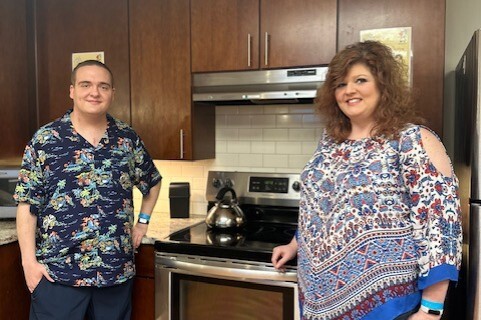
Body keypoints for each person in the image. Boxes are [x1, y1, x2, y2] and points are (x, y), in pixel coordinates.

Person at [271, 41, 462, 320]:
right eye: (340, 84)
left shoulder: (413, 140)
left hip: (385, 305)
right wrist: (294, 244)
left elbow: (441, 228)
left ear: (383, 86)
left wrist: (431, 311)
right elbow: (322, 208)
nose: (349, 90)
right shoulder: (330, 142)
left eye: (361, 80)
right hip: (318, 299)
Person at [14, 60, 161, 320]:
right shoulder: (45, 140)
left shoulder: (127, 139)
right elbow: (27, 204)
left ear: (112, 94)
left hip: (115, 276)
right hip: (58, 277)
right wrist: (29, 264)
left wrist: (142, 224)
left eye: (103, 86)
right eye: (86, 84)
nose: (94, 92)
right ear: (72, 91)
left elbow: (152, 181)